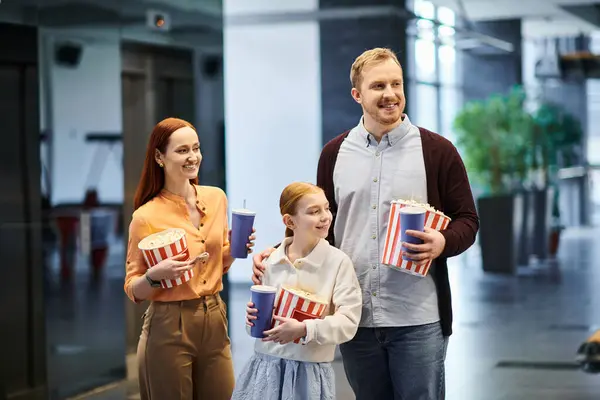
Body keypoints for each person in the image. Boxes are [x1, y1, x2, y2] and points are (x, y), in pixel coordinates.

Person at [252, 48, 479, 399]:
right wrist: (277, 253)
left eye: (396, 84)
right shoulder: (334, 153)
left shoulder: (437, 151)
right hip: (354, 315)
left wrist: (443, 242)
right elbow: (316, 224)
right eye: (378, 86)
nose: (390, 94)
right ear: (357, 94)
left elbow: (468, 220)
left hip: (417, 316)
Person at [124, 117, 256, 400]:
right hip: (169, 325)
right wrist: (154, 275)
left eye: (195, 148)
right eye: (182, 150)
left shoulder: (216, 198)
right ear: (159, 157)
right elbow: (133, 289)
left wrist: (233, 249)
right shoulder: (145, 216)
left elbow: (215, 266)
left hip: (215, 318)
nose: (192, 156)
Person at [232, 182, 362, 400]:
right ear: (289, 221)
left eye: (326, 208)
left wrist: (305, 329)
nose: (325, 216)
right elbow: (255, 327)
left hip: (310, 374)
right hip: (265, 370)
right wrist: (252, 319)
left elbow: (348, 322)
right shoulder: (269, 261)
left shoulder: (339, 262)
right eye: (314, 211)